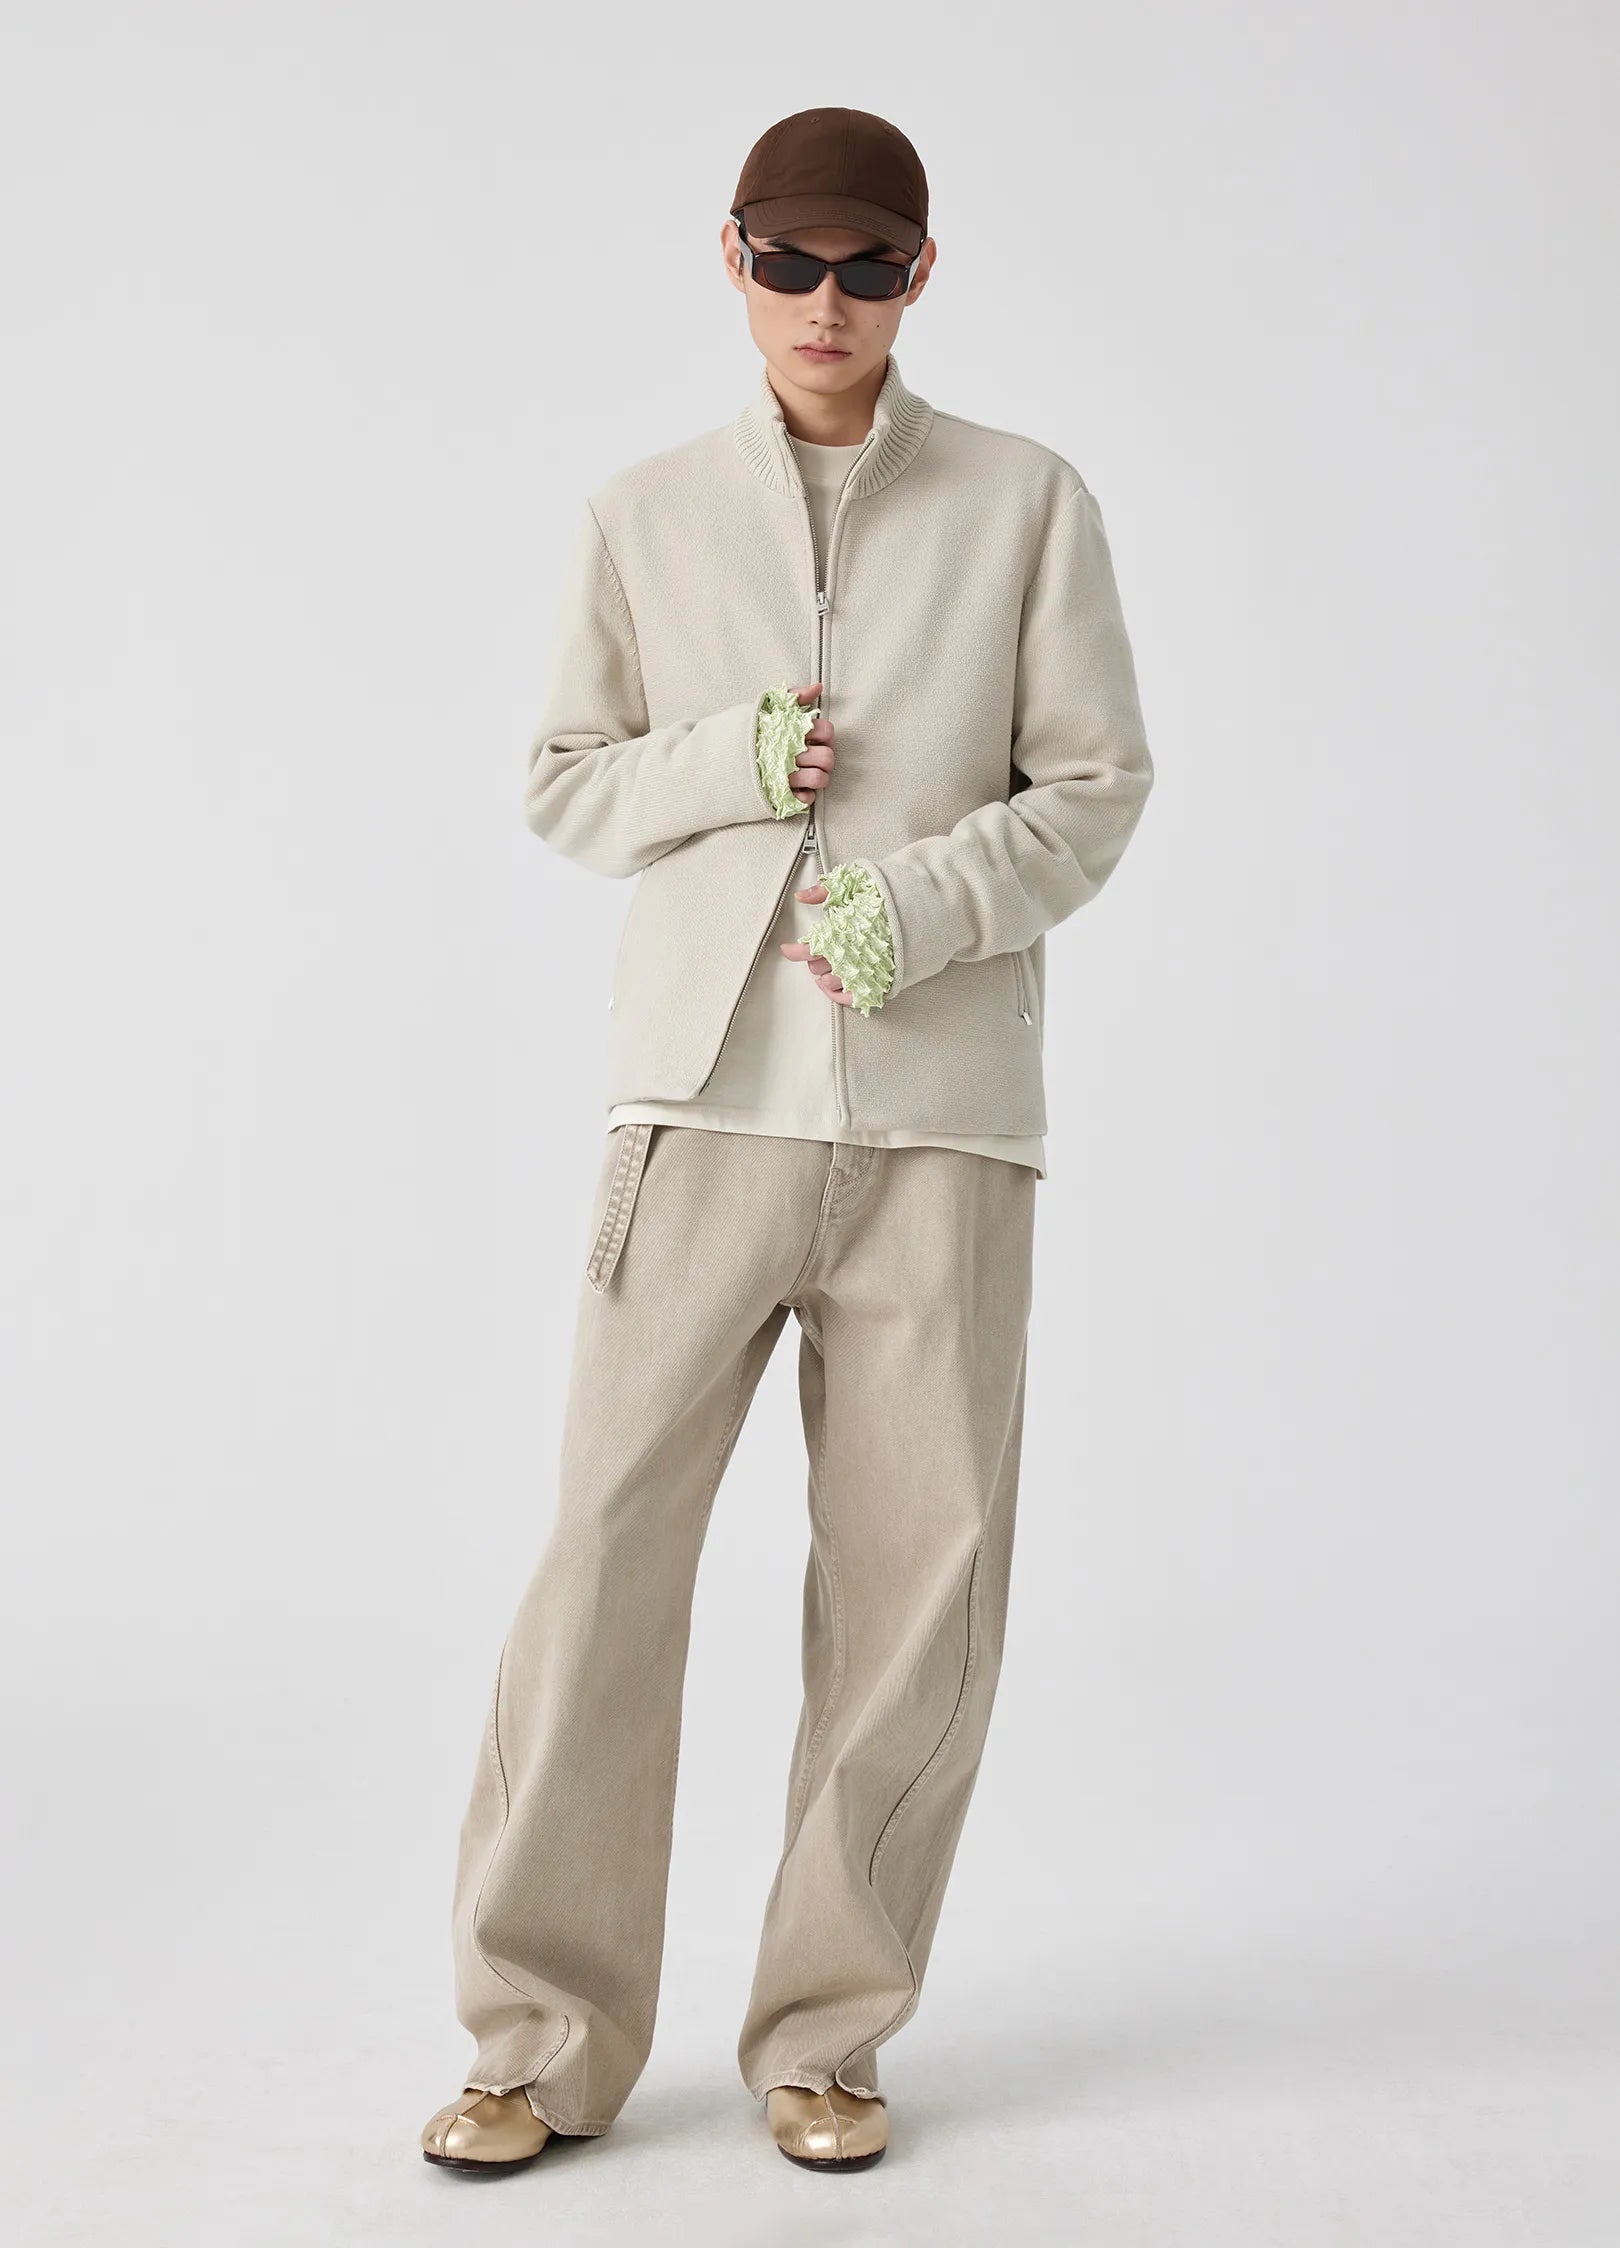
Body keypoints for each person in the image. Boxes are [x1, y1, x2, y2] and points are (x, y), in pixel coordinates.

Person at [419, 104, 1154, 2179]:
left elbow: (1096, 784)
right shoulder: (642, 514)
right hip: (697, 1108)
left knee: (918, 1588)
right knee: (602, 1561)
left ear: (919, 276)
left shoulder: (1027, 504)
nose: (828, 301)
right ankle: (537, 2038)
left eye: (870, 265)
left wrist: (922, 899)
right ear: (733, 259)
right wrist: (726, 764)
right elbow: (564, 782)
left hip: (943, 1121)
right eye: (792, 260)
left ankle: (830, 2032)